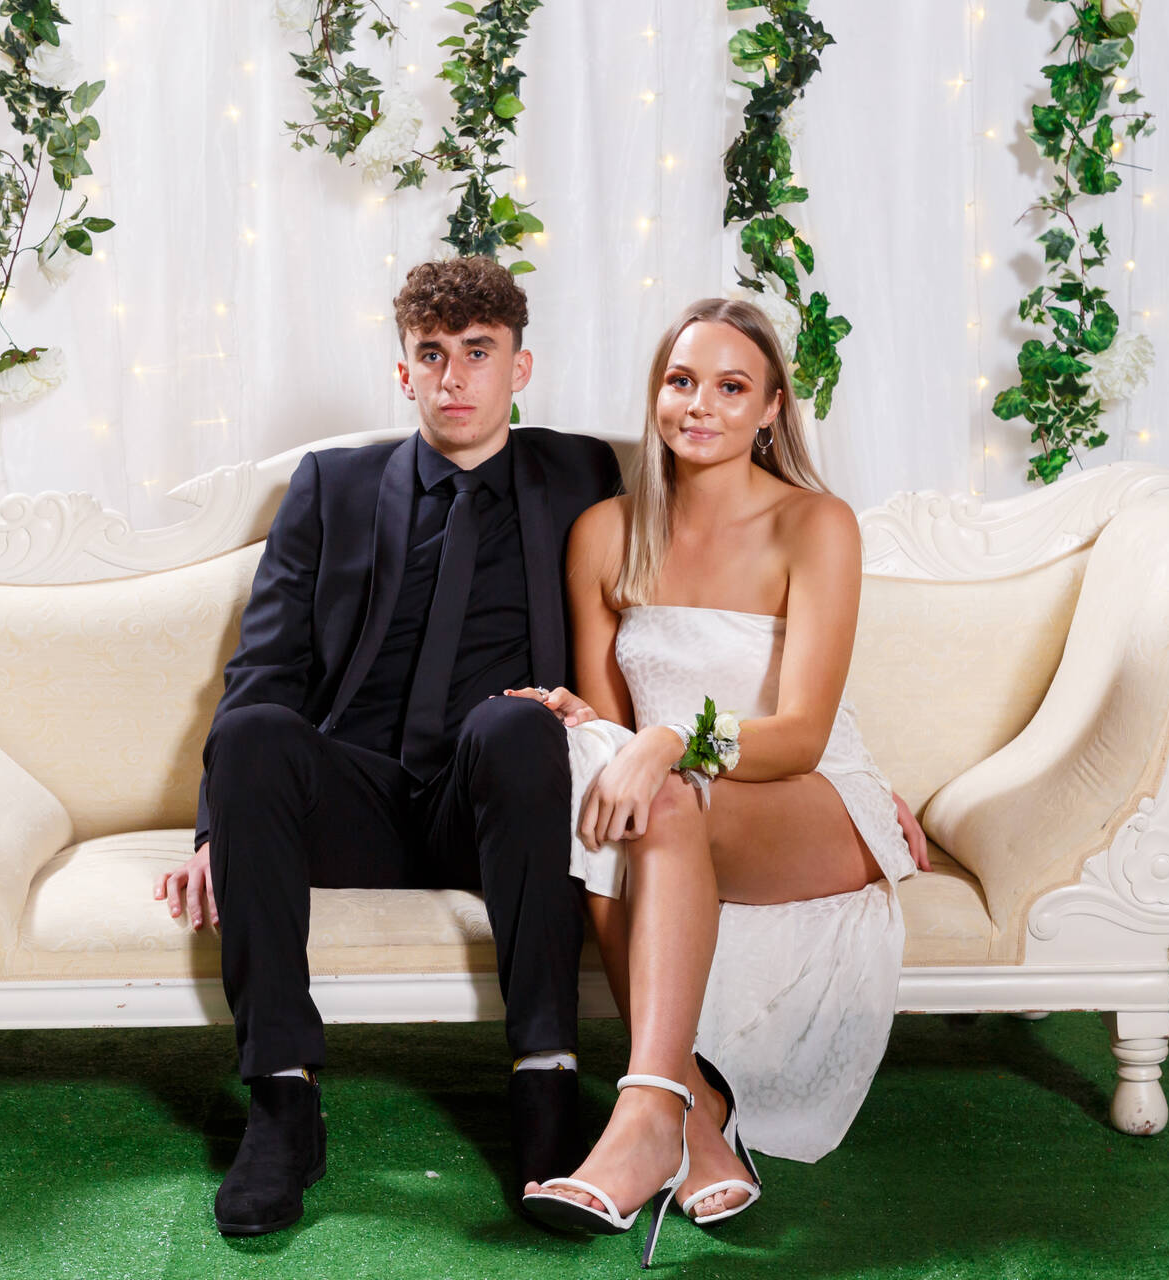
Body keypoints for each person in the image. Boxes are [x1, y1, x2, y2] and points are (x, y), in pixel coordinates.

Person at [154, 256, 623, 1237]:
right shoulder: (333, 484)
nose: (455, 377)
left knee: (516, 721)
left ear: (521, 368)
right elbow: (264, 666)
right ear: (404, 372)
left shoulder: (585, 475)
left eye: (479, 353)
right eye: (432, 355)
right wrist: (218, 830)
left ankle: (546, 1089)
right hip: (357, 798)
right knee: (252, 730)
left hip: (497, 801)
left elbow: (682, 587)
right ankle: (283, 1103)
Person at [513, 298, 930, 1267]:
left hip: (810, 794)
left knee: (656, 794)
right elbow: (615, 725)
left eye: (731, 386)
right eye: (681, 380)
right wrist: (587, 724)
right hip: (677, 803)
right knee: (609, 794)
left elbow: (803, 734)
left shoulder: (815, 523)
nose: (700, 404)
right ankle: (687, 1117)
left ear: (772, 408)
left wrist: (670, 738)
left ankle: (645, 1119)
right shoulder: (605, 533)